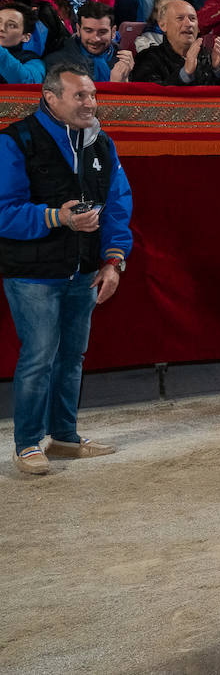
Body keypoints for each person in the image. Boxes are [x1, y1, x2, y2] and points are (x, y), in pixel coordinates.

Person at [2, 64, 132, 475]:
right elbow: (3, 212)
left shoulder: (102, 143)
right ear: (50, 98)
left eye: (93, 95)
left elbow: (117, 206)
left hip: (84, 272)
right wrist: (56, 217)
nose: (90, 103)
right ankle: (27, 445)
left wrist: (113, 261)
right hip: (32, 273)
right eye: (80, 96)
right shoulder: (16, 140)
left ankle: (63, 437)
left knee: (72, 356)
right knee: (39, 357)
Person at [130, 0, 220, 83]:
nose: (188, 24)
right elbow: (150, 95)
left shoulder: (211, 57)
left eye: (192, 18)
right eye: (180, 18)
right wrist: (184, 74)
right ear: (163, 25)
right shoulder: (148, 58)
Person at [42, 0, 131, 81]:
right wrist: (117, 85)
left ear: (113, 32)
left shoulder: (126, 61)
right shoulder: (56, 63)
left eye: (102, 32)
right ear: (78, 30)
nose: (95, 39)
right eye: (88, 31)